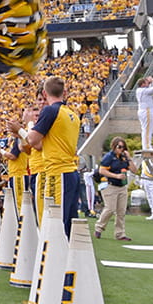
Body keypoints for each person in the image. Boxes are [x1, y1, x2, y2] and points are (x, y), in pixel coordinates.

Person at [26, 76, 81, 238]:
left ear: (44, 92)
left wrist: (29, 124)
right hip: (71, 171)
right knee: (67, 223)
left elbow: (32, 140)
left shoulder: (51, 111)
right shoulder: (72, 114)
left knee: (53, 223)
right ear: (65, 92)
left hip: (57, 172)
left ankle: (54, 261)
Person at [94, 137, 132, 240]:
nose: (121, 149)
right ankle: (99, 227)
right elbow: (102, 170)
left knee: (121, 211)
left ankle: (120, 234)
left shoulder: (123, 157)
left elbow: (134, 170)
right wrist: (116, 176)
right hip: (110, 185)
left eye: (123, 147)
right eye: (119, 147)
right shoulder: (109, 157)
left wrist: (129, 158)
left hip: (122, 186)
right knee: (110, 208)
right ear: (114, 146)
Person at [135, 76, 153, 150]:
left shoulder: (141, 90)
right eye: (146, 82)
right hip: (146, 111)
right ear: (143, 84)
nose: (148, 83)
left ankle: (146, 145)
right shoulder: (143, 90)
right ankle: (147, 147)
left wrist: (150, 83)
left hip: (143, 110)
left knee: (145, 129)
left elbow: (150, 89)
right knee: (147, 129)